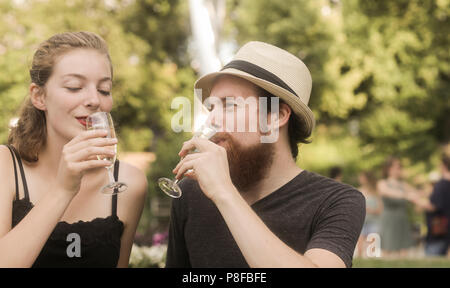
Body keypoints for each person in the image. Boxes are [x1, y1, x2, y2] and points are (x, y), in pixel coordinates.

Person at [165, 41, 366, 268]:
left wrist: (224, 193)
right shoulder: (192, 193)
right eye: (211, 107)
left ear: (276, 117)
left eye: (229, 105)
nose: (211, 120)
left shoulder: (335, 200)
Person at [0, 31, 148, 267]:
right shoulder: (5, 166)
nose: (94, 100)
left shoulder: (130, 183)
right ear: (39, 97)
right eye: (74, 87)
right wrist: (63, 190)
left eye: (104, 90)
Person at [411, 145, 450, 257]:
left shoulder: (441, 184)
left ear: (443, 166)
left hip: (439, 229)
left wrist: (417, 201)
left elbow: (434, 206)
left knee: (432, 258)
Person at [377, 156, 416, 258]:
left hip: (402, 218)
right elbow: (386, 192)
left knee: (403, 248)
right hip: (389, 218)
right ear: (389, 169)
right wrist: (406, 195)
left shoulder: (404, 184)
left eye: (399, 167)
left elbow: (417, 195)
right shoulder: (382, 183)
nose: (399, 170)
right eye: (396, 167)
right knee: (387, 247)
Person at [356, 171, 383, 258]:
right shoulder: (358, 190)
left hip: (374, 222)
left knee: (372, 250)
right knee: (359, 248)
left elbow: (380, 209)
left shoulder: (376, 192)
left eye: (362, 177)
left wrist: (369, 210)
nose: (360, 179)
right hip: (361, 223)